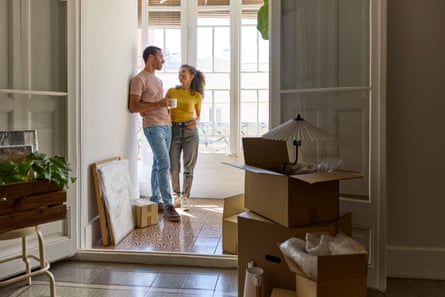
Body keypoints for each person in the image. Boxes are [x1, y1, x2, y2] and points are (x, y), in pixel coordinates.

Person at [128, 46, 180, 222]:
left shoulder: (158, 81)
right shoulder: (138, 79)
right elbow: (133, 107)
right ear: (151, 58)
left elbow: (158, 103)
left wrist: (167, 113)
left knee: (159, 163)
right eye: (161, 57)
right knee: (165, 163)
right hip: (153, 126)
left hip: (166, 125)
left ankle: (156, 199)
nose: (163, 60)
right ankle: (168, 205)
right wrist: (158, 104)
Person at [166, 64, 205, 210]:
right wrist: (167, 120)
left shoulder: (196, 95)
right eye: (179, 73)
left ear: (192, 76)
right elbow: (164, 109)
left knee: (189, 168)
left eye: (183, 72)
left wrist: (195, 122)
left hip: (190, 133)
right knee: (174, 167)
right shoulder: (171, 91)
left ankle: (185, 198)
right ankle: (176, 196)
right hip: (174, 130)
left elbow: (198, 116)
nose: (180, 75)